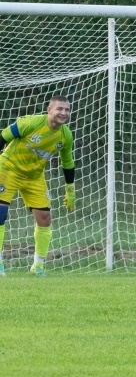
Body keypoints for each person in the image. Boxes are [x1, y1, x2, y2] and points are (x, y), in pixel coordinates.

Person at [0, 96, 76, 277]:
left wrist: (70, 190)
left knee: (45, 218)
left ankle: (38, 267)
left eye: (67, 110)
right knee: (0, 213)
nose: (63, 113)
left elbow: (68, 162)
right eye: (59, 109)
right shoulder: (31, 122)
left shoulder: (65, 135)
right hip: (8, 169)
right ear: (49, 110)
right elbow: (2, 137)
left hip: (34, 176)